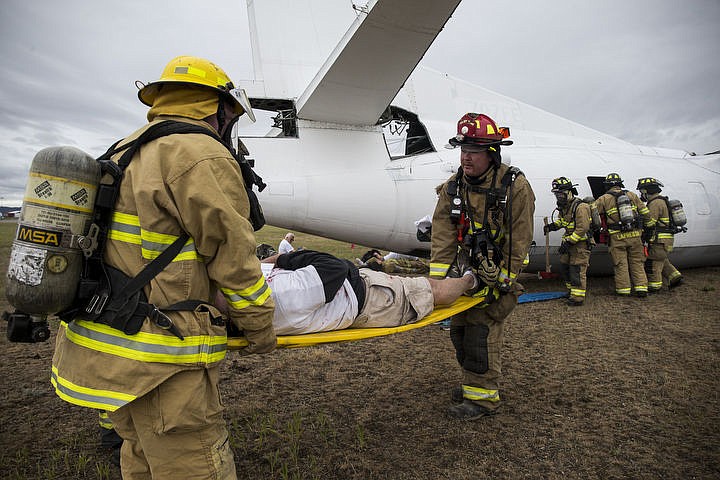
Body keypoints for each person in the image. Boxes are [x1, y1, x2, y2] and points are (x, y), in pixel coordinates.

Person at [51, 56, 276, 479]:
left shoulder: (126, 147)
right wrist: (260, 327)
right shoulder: (200, 153)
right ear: (219, 108)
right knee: (192, 462)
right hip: (160, 352)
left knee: (140, 454)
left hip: (109, 341)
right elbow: (234, 254)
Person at [430, 113, 535, 420]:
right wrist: (440, 284)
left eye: (473, 151)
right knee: (459, 332)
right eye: (463, 150)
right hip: (467, 276)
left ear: (491, 153)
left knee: (479, 333)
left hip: (498, 278)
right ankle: (472, 384)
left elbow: (520, 241)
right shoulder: (453, 188)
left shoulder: (515, 187)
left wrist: (503, 281)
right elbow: (443, 237)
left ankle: (483, 399)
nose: (466, 157)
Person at [239, 249, 476, 335]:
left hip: (358, 287)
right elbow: (333, 266)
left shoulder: (245, 297)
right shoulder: (283, 299)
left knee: (426, 284)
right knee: (430, 291)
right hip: (373, 299)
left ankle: (461, 275)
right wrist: (281, 259)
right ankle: (471, 279)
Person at [594, 173, 651, 297]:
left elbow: (592, 212)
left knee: (620, 264)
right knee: (637, 262)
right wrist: (647, 229)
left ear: (607, 186)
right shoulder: (631, 195)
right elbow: (646, 213)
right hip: (636, 235)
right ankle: (642, 289)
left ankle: (623, 290)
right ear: (620, 184)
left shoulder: (604, 198)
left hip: (617, 237)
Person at [543, 177, 594, 306]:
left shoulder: (581, 207)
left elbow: (582, 228)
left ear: (570, 192)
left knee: (576, 270)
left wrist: (569, 242)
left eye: (561, 194)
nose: (559, 197)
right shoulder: (565, 207)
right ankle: (571, 292)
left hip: (580, 245)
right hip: (570, 243)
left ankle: (577, 297)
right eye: (557, 194)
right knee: (565, 268)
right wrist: (552, 226)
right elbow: (564, 221)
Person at [636, 177, 684, 291]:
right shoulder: (661, 200)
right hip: (665, 240)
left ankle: (655, 286)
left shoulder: (655, 203)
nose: (641, 194)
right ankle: (675, 277)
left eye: (642, 191)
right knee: (661, 259)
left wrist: (640, 222)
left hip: (659, 240)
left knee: (653, 262)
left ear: (646, 191)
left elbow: (650, 222)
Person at [359, 249, 430, 275]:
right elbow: (407, 268)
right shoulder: (390, 263)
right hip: (417, 266)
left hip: (416, 266)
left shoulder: (387, 265)